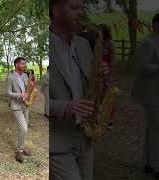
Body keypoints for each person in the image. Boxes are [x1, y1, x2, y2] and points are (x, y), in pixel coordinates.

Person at [49, 0, 110, 179]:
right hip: (56, 141)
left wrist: (101, 80)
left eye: (82, 7)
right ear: (56, 10)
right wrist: (66, 107)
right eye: (75, 8)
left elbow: (91, 90)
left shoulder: (83, 45)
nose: (81, 13)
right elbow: (33, 101)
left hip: (84, 136)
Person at [133, 13, 159, 179]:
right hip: (149, 93)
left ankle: (148, 163)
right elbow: (143, 67)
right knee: (157, 129)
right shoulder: (147, 43)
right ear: (155, 24)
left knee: (152, 128)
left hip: (156, 92)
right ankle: (157, 166)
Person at [6, 57, 31, 163]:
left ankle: (22, 146)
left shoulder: (25, 75)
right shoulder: (10, 77)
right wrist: (20, 95)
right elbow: (8, 93)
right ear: (16, 65)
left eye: (25, 63)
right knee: (24, 128)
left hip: (26, 105)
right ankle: (19, 151)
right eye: (22, 63)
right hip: (16, 106)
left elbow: (27, 88)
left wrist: (31, 93)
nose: (24, 65)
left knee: (25, 129)